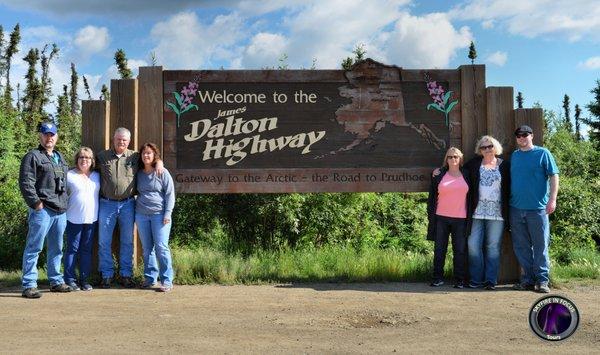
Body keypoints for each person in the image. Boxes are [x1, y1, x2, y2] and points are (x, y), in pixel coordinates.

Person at [96, 127, 162, 289]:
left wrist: (159, 162)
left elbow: (151, 160)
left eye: (124, 140)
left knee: (127, 241)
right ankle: (106, 275)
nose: (121, 142)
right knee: (104, 241)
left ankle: (126, 275)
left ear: (129, 141)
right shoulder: (102, 156)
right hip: (106, 203)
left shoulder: (135, 156)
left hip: (128, 204)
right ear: (113, 139)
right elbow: (85, 165)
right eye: (118, 139)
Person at [19, 122, 72, 298]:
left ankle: (56, 281)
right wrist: (36, 204)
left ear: (56, 137)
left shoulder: (59, 156)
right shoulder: (32, 156)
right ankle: (29, 284)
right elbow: (26, 183)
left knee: (57, 248)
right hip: (42, 211)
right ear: (40, 136)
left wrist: (65, 202)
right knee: (34, 247)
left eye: (52, 134)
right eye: (46, 134)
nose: (49, 138)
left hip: (60, 211)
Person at [510, 125, 559, 293]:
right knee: (521, 246)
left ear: (532, 135)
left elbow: (554, 176)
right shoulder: (515, 156)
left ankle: (543, 281)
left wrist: (552, 199)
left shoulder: (543, 153)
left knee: (540, 246)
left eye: (525, 135)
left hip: (538, 209)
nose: (522, 138)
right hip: (516, 209)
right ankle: (528, 280)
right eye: (519, 135)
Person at [464, 136, 510, 290]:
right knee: (472, 245)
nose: (487, 149)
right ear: (480, 150)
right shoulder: (473, 164)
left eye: (490, 146)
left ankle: (490, 280)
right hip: (476, 212)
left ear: (495, 147)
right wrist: (439, 171)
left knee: (492, 246)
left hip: (497, 213)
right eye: (483, 147)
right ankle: (476, 280)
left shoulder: (504, 165)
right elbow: (455, 170)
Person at [427, 147, 471, 288]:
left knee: (460, 250)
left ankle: (460, 280)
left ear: (460, 159)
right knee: (440, 249)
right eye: (450, 157)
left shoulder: (467, 174)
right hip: (441, 218)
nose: (453, 159)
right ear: (446, 159)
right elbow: (432, 196)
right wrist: (430, 215)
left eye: (456, 157)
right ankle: (437, 278)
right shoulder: (439, 175)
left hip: (461, 218)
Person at [135, 143, 175, 292]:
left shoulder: (162, 172)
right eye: (144, 153)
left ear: (154, 155)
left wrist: (167, 213)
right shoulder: (138, 173)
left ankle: (167, 281)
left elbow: (170, 194)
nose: (146, 156)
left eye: (149, 153)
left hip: (160, 215)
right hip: (141, 215)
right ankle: (150, 278)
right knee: (147, 249)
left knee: (161, 248)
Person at [63, 147, 100, 291]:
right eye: (81, 157)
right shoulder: (69, 175)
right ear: (77, 160)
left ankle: (84, 280)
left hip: (92, 218)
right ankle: (70, 279)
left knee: (86, 250)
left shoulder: (97, 175)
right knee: (72, 249)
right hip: (73, 218)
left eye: (87, 158)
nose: (84, 160)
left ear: (92, 161)